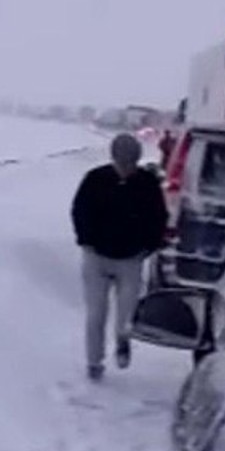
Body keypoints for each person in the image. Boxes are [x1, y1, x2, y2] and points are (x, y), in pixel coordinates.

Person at [71, 133, 170, 380]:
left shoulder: (148, 184)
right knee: (96, 314)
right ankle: (94, 362)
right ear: (113, 158)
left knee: (127, 314)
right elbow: (79, 211)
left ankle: (122, 342)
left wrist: (150, 246)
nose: (126, 169)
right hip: (96, 258)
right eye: (122, 164)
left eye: (130, 165)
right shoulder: (95, 180)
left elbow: (159, 218)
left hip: (130, 260)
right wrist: (86, 240)